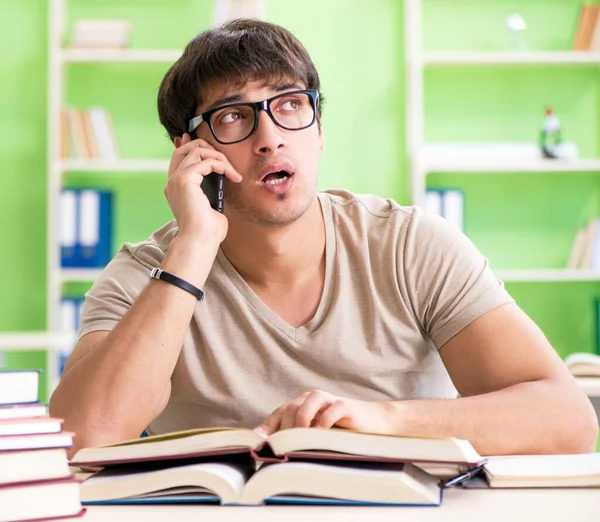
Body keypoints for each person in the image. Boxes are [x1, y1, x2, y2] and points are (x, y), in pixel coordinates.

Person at [49, 19, 598, 457]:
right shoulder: (144, 274)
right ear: (188, 151)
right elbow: (81, 439)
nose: (270, 139)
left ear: (318, 130)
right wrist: (193, 247)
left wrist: (380, 420)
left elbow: (567, 420)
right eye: (233, 117)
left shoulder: (409, 245)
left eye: (289, 105)